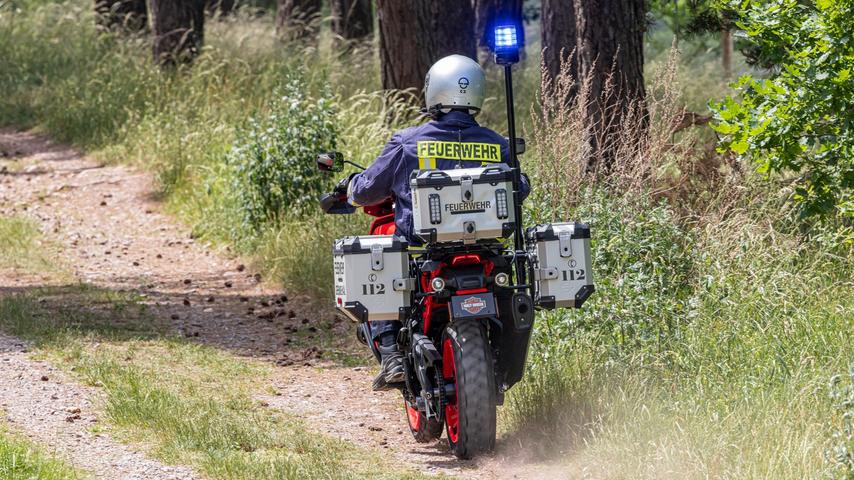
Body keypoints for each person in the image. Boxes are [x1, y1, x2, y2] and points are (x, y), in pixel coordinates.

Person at [345, 54, 530, 391]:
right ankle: (502, 368)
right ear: (476, 92)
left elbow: (368, 189)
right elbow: (521, 187)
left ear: (434, 91)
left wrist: (351, 188)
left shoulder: (407, 142)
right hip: (487, 248)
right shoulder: (496, 143)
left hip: (427, 245)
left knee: (382, 253)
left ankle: (391, 354)